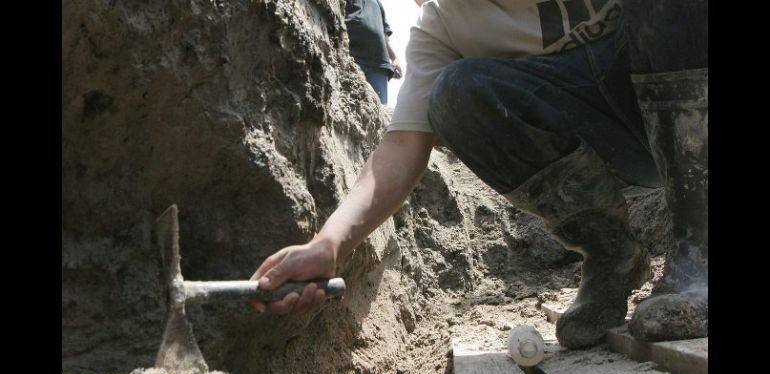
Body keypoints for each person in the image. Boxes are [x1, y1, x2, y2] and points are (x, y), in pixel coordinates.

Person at [250, 0, 708, 349]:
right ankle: (612, 254)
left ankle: (700, 252)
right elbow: (401, 148)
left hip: (679, 100)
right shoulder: (444, 26)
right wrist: (329, 244)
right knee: (455, 93)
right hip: (608, 145)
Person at [344, 0, 403, 104]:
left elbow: (384, 35)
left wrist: (394, 58)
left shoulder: (377, 3)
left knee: (379, 109)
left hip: (379, 62)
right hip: (352, 56)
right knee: (348, 101)